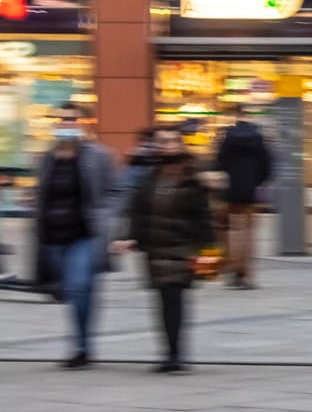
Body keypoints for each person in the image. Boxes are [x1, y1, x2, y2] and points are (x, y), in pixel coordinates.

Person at [118, 125, 214, 373]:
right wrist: (130, 238)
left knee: (174, 300)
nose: (167, 145)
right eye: (162, 141)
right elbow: (137, 210)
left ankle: (175, 354)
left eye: (172, 141)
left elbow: (204, 216)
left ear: (181, 145)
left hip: (183, 249)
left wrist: (209, 253)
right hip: (155, 250)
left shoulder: (192, 175)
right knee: (162, 303)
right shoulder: (150, 175)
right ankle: (169, 353)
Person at [33, 103, 117, 368]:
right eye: (61, 120)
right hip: (53, 235)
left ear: (83, 124)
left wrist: (106, 220)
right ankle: (82, 343)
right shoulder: (46, 158)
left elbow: (112, 192)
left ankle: (81, 347)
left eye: (71, 120)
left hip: (84, 233)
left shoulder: (98, 156)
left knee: (79, 285)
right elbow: (41, 195)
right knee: (73, 291)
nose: (66, 124)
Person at [214, 112, 274, 289]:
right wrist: (257, 182)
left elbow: (219, 164)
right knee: (248, 234)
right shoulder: (259, 139)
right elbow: (267, 167)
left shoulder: (227, 138)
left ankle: (231, 265)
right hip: (250, 193)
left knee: (228, 230)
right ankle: (246, 274)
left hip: (229, 192)